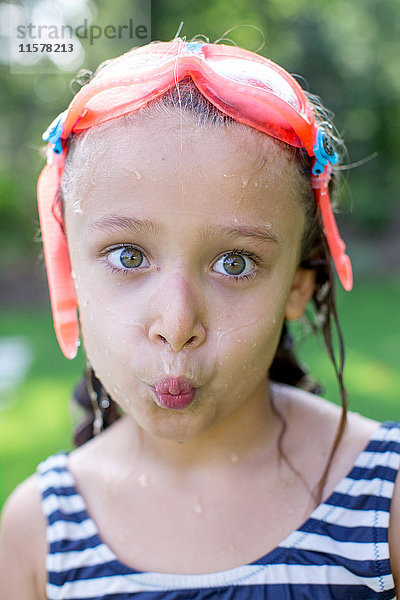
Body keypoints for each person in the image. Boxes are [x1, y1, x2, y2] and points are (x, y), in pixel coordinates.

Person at [0, 37, 399, 600]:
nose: (176, 322)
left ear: (296, 286)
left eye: (234, 263)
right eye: (128, 256)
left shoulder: (386, 508)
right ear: (69, 270)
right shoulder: (38, 536)